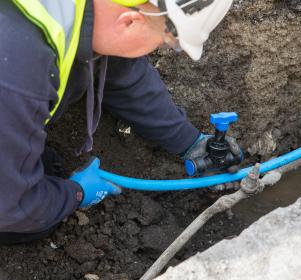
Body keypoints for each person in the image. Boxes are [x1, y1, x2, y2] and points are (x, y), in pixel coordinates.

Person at [0, 0, 235, 245]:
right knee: (29, 221)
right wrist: (76, 195)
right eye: (164, 41)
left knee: (45, 171)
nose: (158, 48)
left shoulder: (83, 12)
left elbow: (123, 74)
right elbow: (10, 205)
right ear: (129, 21)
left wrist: (189, 141)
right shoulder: (19, 67)